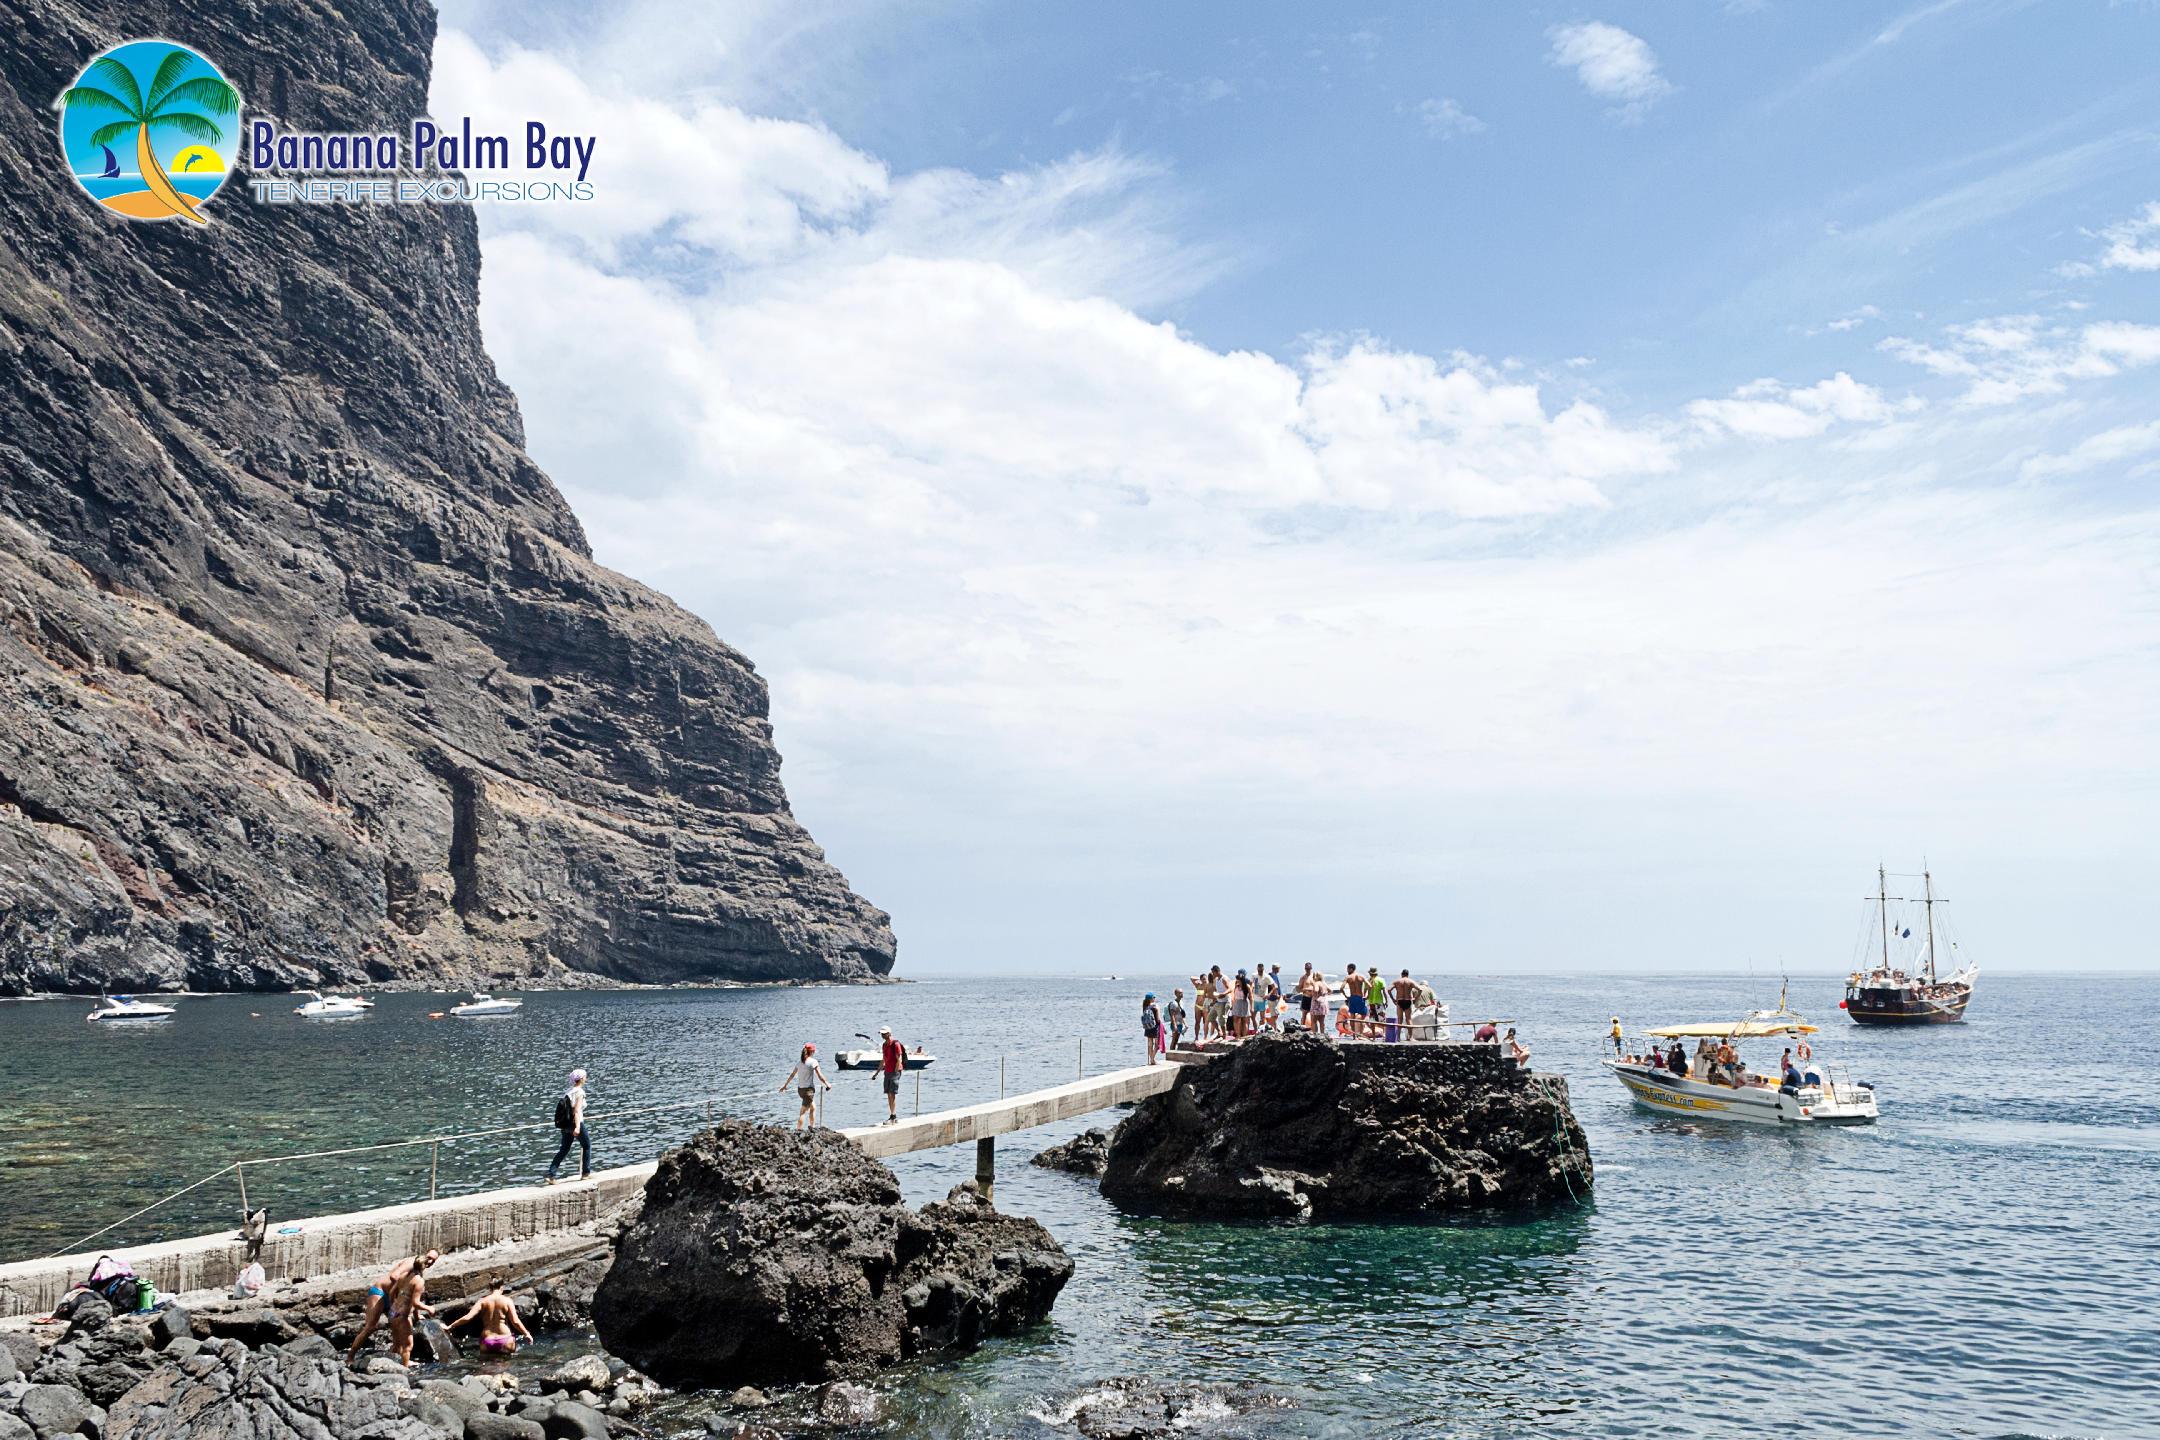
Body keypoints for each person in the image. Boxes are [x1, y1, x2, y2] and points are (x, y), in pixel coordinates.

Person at [346, 1249, 438, 1365]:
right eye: (429, 1257)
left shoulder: (418, 1269)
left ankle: (394, 1362)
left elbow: (412, 1296)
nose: (430, 1261)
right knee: (370, 1327)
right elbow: (394, 1276)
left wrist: (417, 1315)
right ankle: (350, 1357)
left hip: (392, 1297)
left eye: (433, 1261)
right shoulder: (411, 1263)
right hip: (379, 1292)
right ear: (425, 1253)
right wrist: (398, 1297)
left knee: (399, 1335)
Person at [446, 1278, 533, 1356]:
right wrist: (526, 1334)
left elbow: (468, 1317)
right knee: (507, 1365)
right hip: (505, 1339)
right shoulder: (507, 1301)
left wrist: (451, 1326)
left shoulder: (482, 1301)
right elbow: (515, 1321)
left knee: (488, 1367)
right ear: (501, 1287)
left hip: (487, 1340)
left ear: (490, 1288)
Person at [544, 1069, 591, 1184]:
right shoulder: (579, 1092)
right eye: (585, 1076)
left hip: (565, 1125)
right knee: (587, 1145)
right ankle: (585, 1173)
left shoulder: (568, 1091)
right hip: (576, 1123)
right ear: (581, 1079)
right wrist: (578, 1127)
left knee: (564, 1149)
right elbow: (576, 1110)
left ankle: (551, 1175)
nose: (586, 1078)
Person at [780, 1043, 831, 1129]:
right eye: (814, 1051)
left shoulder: (800, 1062)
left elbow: (792, 1075)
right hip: (808, 1091)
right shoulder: (813, 1062)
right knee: (803, 1111)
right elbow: (819, 1075)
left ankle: (812, 1127)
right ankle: (798, 1130)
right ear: (812, 1051)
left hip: (800, 1090)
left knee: (813, 1107)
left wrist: (785, 1086)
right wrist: (827, 1083)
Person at [1141, 992, 1164, 1063]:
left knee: (1150, 1044)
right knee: (1157, 1044)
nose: (1155, 998)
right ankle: (1152, 1059)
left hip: (1147, 1027)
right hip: (1155, 1027)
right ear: (1151, 999)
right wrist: (1163, 1028)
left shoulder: (1145, 1006)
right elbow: (1158, 1019)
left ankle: (1152, 1060)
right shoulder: (1155, 1007)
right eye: (1154, 997)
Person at [1344, 963, 1367, 1034]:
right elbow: (1370, 986)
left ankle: (1354, 1035)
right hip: (1360, 998)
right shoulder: (1361, 976)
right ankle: (1360, 1034)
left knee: (1352, 1017)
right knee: (1363, 1018)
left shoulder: (1348, 977)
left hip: (1352, 998)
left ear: (1351, 969)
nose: (1347, 970)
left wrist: (1346, 996)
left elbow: (1341, 988)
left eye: (1347, 969)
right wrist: (1366, 995)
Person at [1166, 987, 1187, 1052]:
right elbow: (1172, 1015)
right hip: (1175, 1024)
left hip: (1180, 1023)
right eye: (1180, 993)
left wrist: (1185, 1024)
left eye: (1182, 992)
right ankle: (1171, 1052)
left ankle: (1173, 1051)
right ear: (1176, 994)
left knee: (1177, 1039)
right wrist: (1174, 1025)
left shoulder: (1181, 1002)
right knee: (1174, 1039)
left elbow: (1182, 1015)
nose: (1182, 994)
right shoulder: (1173, 1003)